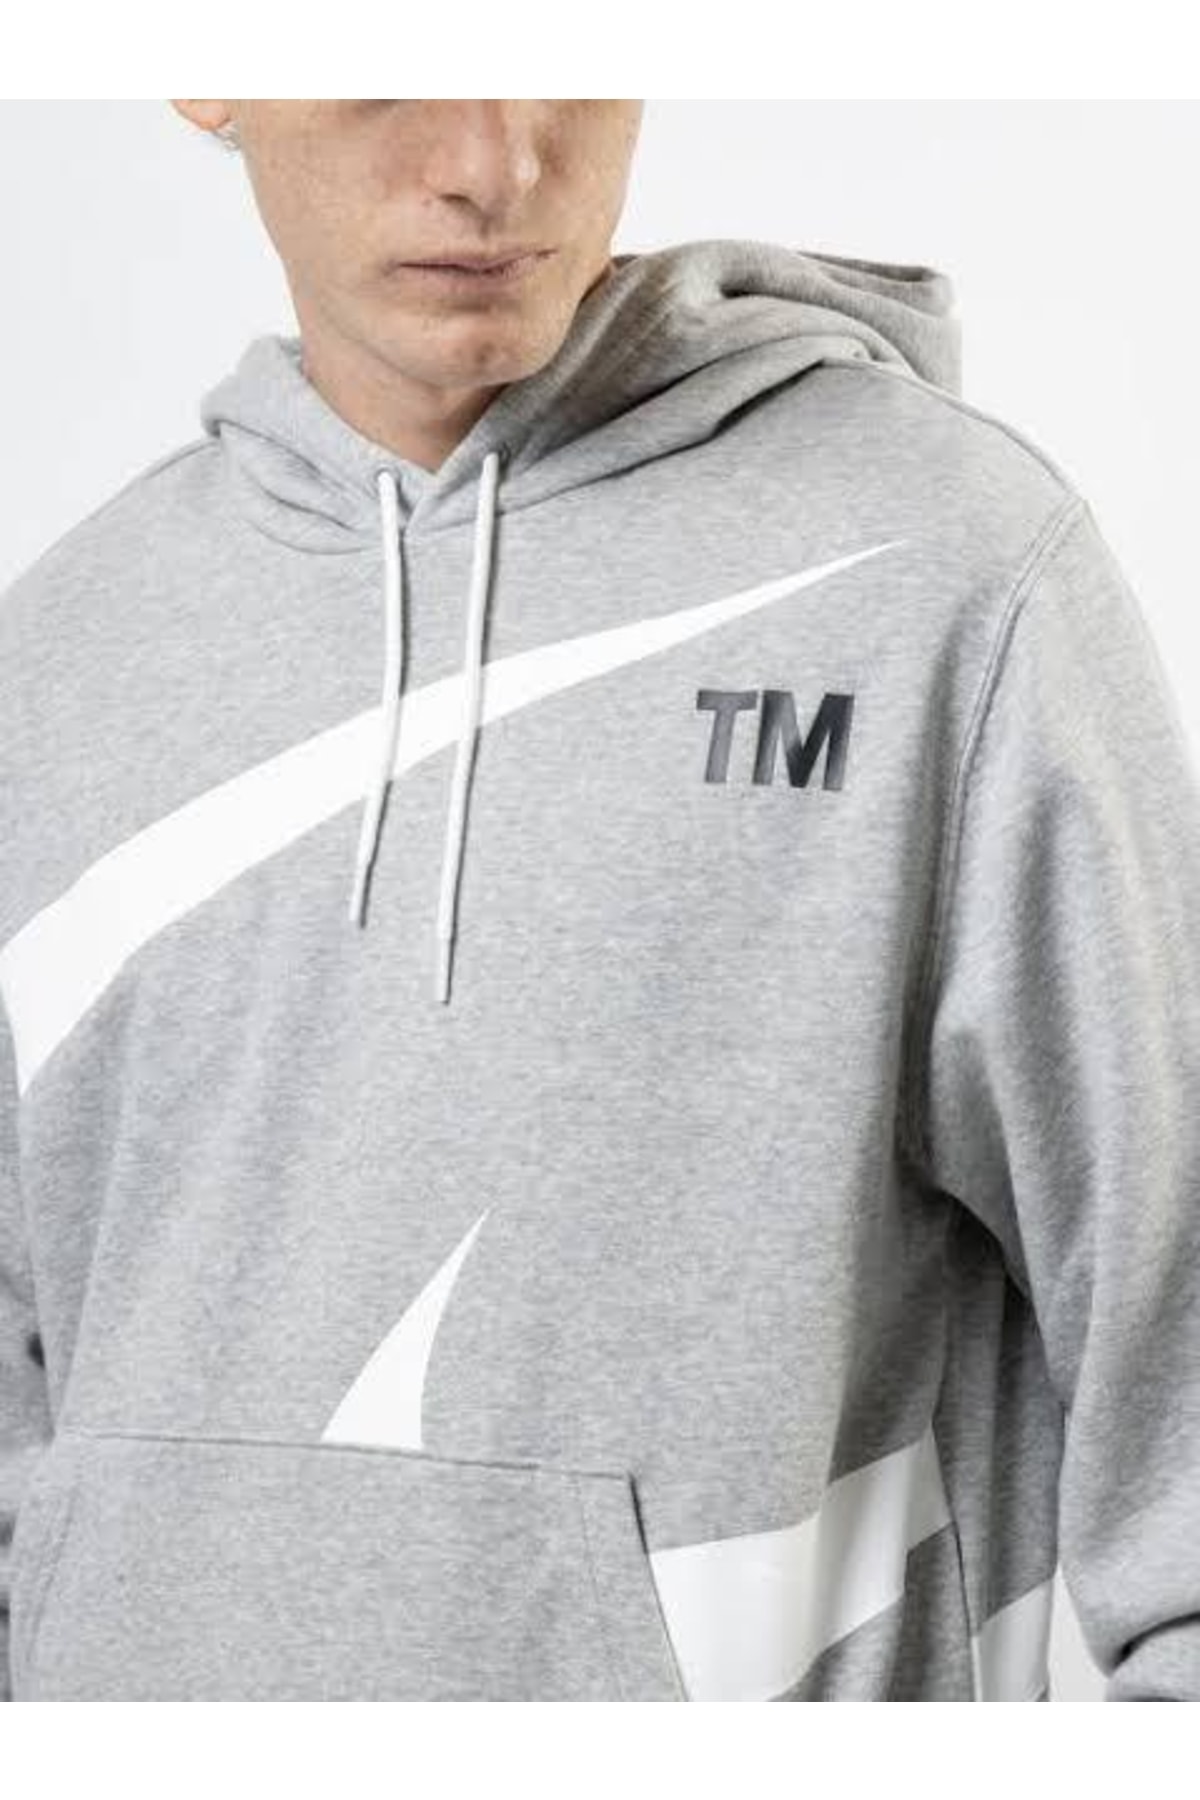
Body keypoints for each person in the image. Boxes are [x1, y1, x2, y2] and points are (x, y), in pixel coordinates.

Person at [1, 99, 1197, 1705]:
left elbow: (1172, 1313)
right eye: (396, 71)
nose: (493, 164)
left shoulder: (949, 571)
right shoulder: (65, 651)